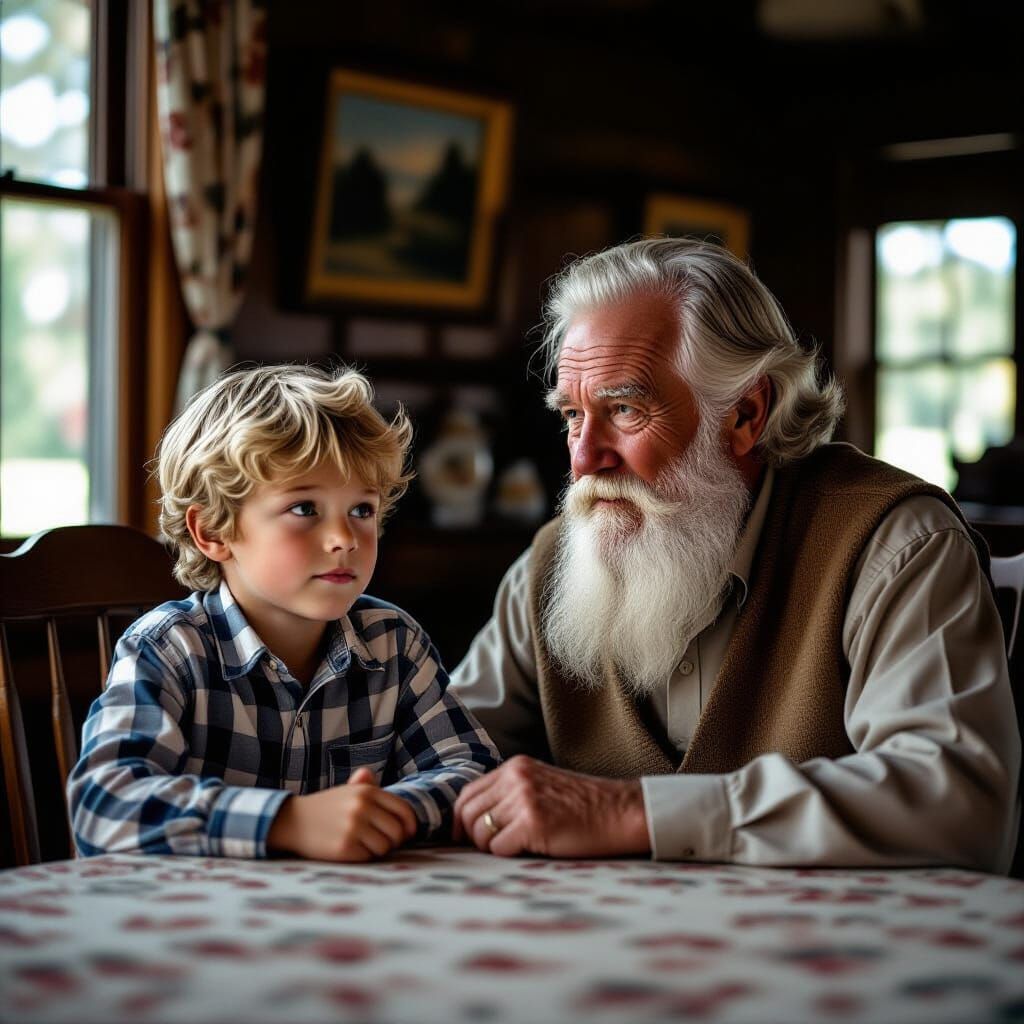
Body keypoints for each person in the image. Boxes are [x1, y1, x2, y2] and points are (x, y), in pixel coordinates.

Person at [451, 237, 1021, 872]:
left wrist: (634, 813)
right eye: (572, 417)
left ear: (746, 414)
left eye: (624, 409)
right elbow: (441, 754)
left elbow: (960, 802)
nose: (584, 459)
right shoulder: (555, 560)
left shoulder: (894, 544)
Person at [68, 364, 499, 861]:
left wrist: (380, 814)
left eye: (362, 510)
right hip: (190, 925)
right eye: (305, 509)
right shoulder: (169, 651)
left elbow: (473, 774)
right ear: (213, 530)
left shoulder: (394, 643)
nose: (343, 539)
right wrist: (286, 822)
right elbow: (103, 805)